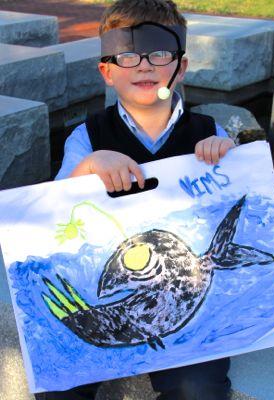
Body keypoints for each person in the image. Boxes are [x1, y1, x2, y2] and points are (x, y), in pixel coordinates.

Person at [36, 1, 234, 399]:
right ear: (107, 71)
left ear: (180, 66)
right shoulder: (86, 137)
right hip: (100, 291)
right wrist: (88, 167)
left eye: (159, 53)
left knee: (199, 388)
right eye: (127, 55)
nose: (143, 66)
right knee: (59, 382)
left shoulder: (208, 131)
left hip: (186, 298)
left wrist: (226, 156)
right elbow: (52, 216)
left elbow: (229, 194)